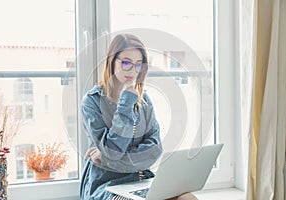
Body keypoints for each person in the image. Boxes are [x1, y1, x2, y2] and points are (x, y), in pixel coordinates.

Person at [80, 33, 198, 200]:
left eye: (138, 65)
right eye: (126, 63)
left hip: (141, 179)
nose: (133, 71)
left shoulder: (144, 100)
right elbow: (112, 151)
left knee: (188, 198)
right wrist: (126, 103)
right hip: (108, 184)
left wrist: (107, 159)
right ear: (112, 61)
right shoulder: (92, 101)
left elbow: (154, 150)